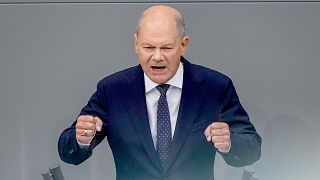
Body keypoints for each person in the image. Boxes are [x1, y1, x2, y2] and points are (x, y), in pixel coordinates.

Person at [58, 5, 261, 180]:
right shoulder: (112, 89)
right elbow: (69, 152)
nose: (157, 57)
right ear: (136, 44)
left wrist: (229, 143)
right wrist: (81, 139)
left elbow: (252, 148)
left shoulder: (215, 87)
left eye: (166, 47)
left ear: (183, 45)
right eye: (148, 47)